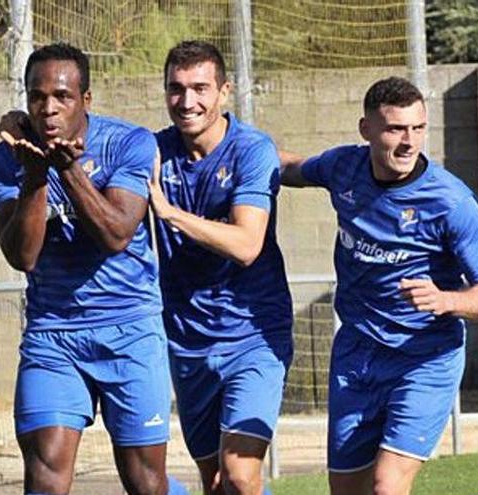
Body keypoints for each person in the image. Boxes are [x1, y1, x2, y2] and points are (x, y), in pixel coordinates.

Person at [277, 76, 478, 495]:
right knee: (347, 490)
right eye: (395, 129)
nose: (409, 141)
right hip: (357, 355)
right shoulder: (342, 168)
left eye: (418, 128)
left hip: (423, 360)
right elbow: (290, 168)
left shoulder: (451, 203)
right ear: (366, 130)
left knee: (386, 486)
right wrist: (232, 148)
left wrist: (446, 300)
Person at [0, 43, 186, 495]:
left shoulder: (127, 143)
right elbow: (22, 256)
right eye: (37, 97)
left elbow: (115, 235)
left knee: (145, 481)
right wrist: (35, 177)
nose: (48, 109)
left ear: (85, 100)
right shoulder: (1, 164)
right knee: (46, 474)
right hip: (53, 335)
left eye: (62, 96)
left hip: (129, 329)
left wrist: (67, 171)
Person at [147, 41, 292, 495]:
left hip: (253, 335)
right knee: (214, 480)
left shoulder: (251, 151)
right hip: (187, 338)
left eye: (200, 88)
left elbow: (247, 244)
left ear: (224, 91)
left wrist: (169, 213)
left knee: (240, 472)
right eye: (176, 89)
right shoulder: (152, 150)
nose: (188, 101)